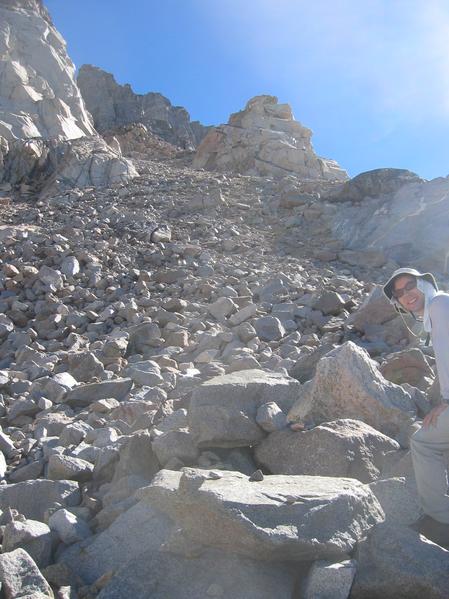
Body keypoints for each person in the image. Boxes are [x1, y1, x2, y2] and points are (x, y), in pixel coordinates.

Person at [383, 267, 449, 544]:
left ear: (423, 283)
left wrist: (447, 400)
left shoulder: (439, 304)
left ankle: (440, 520)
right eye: (399, 293)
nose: (406, 294)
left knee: (423, 442)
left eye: (410, 286)